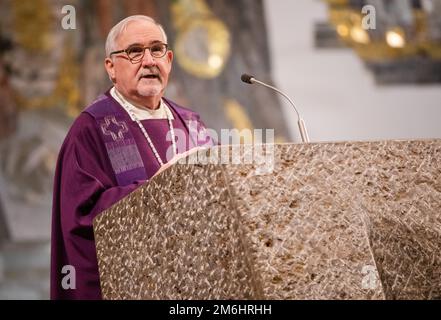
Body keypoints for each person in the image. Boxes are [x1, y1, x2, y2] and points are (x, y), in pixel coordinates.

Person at [50, 15, 213, 299]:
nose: (149, 60)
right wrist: (154, 191)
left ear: (170, 59)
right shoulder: (91, 127)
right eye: (135, 51)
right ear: (111, 67)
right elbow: (80, 218)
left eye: (157, 49)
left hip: (192, 284)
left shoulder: (191, 123)